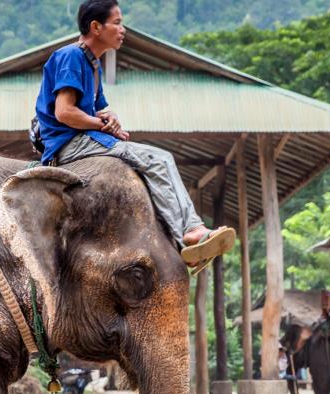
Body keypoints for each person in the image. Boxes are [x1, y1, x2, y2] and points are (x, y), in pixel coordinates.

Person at [34, 0, 234, 267]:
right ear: (96, 27)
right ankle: (191, 231)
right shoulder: (70, 57)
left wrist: (110, 117)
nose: (122, 29)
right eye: (117, 22)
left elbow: (100, 108)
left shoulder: (92, 64)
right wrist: (100, 125)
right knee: (159, 160)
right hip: (71, 144)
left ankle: (183, 239)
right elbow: (64, 113)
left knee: (155, 161)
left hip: (85, 138)